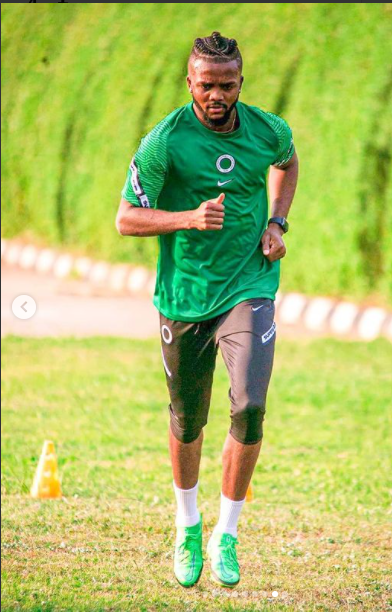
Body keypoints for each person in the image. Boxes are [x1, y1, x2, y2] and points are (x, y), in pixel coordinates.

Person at [116, 31, 298, 589]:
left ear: (241, 82)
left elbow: (287, 163)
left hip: (249, 285)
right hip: (185, 295)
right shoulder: (164, 143)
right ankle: (188, 525)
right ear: (189, 82)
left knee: (249, 405)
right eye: (205, 86)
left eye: (226, 85)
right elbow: (126, 218)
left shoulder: (269, 129)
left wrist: (276, 222)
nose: (216, 96)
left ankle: (228, 534)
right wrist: (187, 218)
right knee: (187, 419)